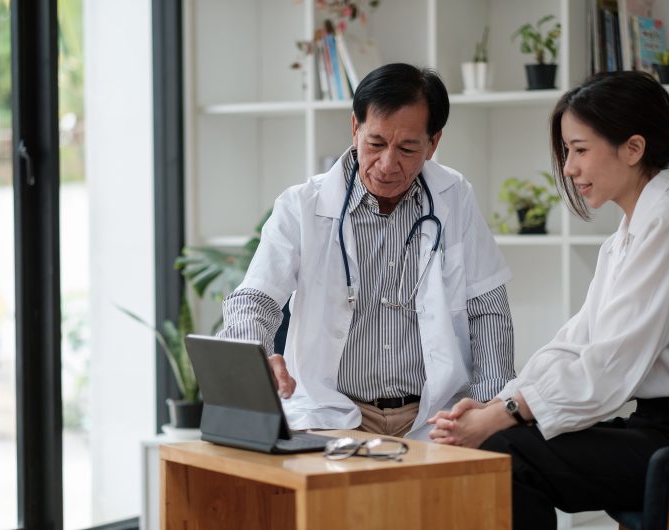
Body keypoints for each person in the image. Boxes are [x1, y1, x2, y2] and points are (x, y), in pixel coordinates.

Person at [427, 71, 669, 528]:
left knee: (507, 454)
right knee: (501, 446)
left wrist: (504, 417)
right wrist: (497, 406)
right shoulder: (626, 236)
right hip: (657, 426)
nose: (569, 168)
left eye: (579, 150)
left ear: (633, 148)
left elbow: (610, 366)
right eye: (567, 152)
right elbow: (574, 343)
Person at [218, 63, 515, 440]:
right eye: (375, 144)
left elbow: (487, 309)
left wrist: (490, 413)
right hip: (333, 413)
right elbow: (254, 298)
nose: (388, 164)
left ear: (433, 142)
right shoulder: (302, 205)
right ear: (355, 129)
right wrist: (254, 355)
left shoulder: (453, 196)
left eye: (408, 148)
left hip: (433, 415)